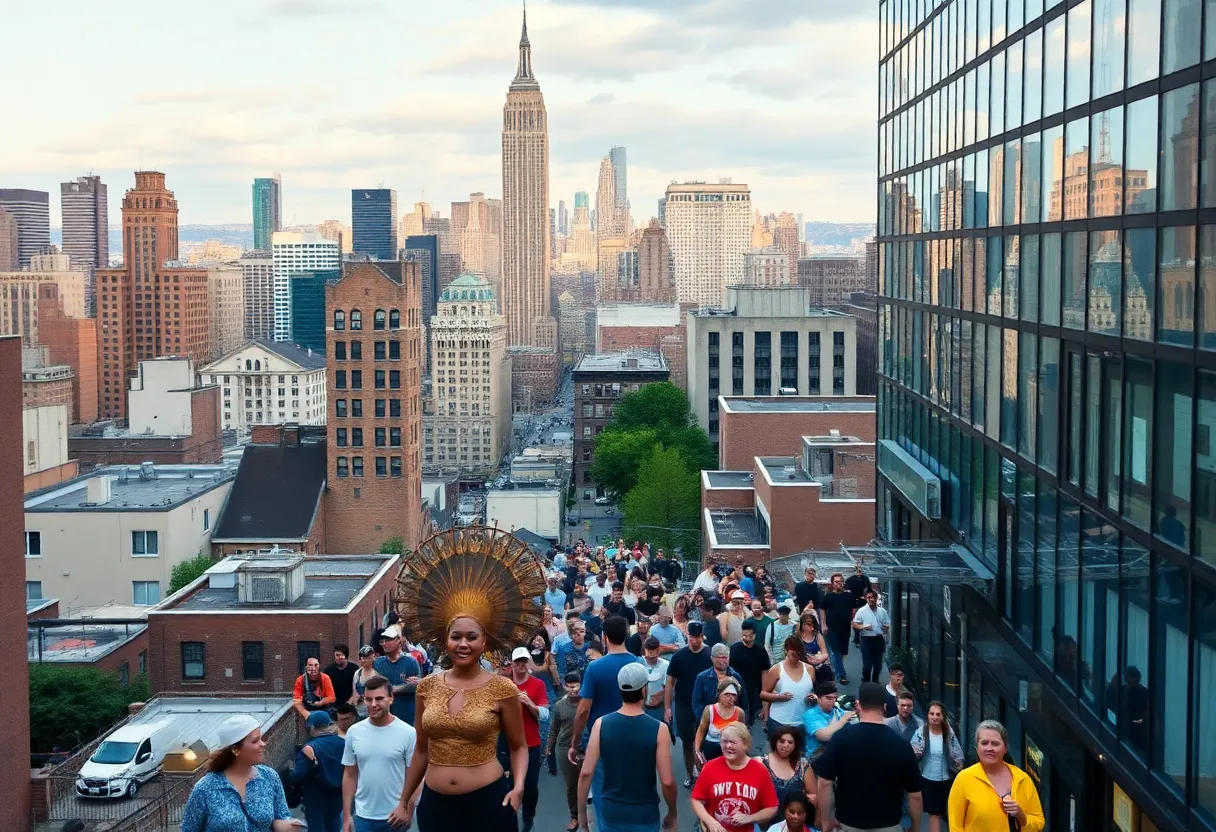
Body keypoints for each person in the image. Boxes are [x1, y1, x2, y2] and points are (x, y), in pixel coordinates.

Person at [395, 614, 527, 832]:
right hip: (436, 807)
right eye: (456, 637)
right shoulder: (426, 687)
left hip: (487, 803)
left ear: (483, 642)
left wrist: (519, 787)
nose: (463, 644)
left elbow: (518, 746)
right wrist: (404, 801)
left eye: (472, 637)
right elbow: (421, 750)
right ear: (446, 641)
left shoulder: (502, 689)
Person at [577, 663, 678, 832]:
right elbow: (667, 782)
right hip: (645, 815)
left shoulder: (600, 725)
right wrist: (672, 813)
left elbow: (586, 773)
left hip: (612, 814)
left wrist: (581, 814)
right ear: (644, 690)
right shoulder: (659, 729)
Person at [813, 682, 923, 832]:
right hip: (889, 824)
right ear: (885, 707)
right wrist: (915, 827)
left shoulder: (841, 739)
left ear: (858, 705)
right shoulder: (902, 745)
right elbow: (915, 795)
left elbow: (824, 782)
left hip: (849, 823)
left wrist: (826, 819)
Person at [569, 615, 643, 832]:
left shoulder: (595, 667)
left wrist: (575, 742)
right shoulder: (638, 664)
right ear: (626, 635)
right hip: (634, 736)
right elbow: (644, 701)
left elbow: (583, 710)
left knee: (603, 792)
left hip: (602, 739)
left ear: (605, 637)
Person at [182, 714, 301, 832]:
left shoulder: (269, 777)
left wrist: (285, 824)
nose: (263, 744)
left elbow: (282, 815)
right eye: (255, 741)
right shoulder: (205, 788)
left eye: (261, 739)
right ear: (235, 749)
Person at [340, 676, 417, 832]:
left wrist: (408, 810)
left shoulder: (408, 733)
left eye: (379, 699)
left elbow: (415, 776)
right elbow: (349, 774)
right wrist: (347, 816)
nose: (373, 704)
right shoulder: (354, 732)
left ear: (391, 698)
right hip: (363, 817)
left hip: (395, 816)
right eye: (368, 699)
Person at [948, 720, 1045, 832]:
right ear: (977, 748)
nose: (989, 748)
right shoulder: (964, 779)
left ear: (1005, 748)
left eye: (995, 744)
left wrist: (1021, 815)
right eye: (984, 743)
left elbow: (1039, 822)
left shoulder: (1022, 779)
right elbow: (955, 827)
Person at [690, 722, 780, 832]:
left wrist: (749, 818)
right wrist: (709, 821)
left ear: (746, 745)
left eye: (733, 742)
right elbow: (697, 800)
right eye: (724, 741)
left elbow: (771, 807)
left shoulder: (759, 771)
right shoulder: (710, 767)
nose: (728, 746)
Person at [504, 646, 550, 831]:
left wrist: (529, 703)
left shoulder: (537, 684)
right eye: (518, 661)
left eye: (524, 660)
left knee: (530, 787)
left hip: (531, 743)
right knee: (507, 785)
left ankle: (528, 817)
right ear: (512, 663)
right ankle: (509, 819)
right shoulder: (504, 684)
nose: (521, 664)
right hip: (507, 744)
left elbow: (545, 714)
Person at [663, 621, 713, 788]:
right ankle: (690, 773)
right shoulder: (679, 656)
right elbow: (670, 682)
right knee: (686, 741)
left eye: (698, 637)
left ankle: (704, 774)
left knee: (704, 741)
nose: (695, 641)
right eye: (692, 637)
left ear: (702, 636)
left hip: (704, 706)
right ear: (687, 636)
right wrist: (667, 708)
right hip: (683, 704)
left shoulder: (709, 654)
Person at [910, 702, 964, 832]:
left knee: (941, 813)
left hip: (946, 779)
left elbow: (958, 754)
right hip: (927, 779)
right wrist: (916, 752)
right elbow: (912, 750)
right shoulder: (921, 732)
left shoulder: (949, 733)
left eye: (938, 714)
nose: (935, 717)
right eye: (932, 714)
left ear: (943, 716)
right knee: (934, 814)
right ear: (927, 715)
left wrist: (957, 763)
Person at [291, 711, 345, 832]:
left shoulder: (310, 748)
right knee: (334, 826)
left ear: (312, 728)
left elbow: (297, 776)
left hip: (314, 798)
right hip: (337, 796)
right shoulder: (343, 743)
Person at [546, 672, 584, 832]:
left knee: (589, 783)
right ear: (564, 686)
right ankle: (574, 817)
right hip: (565, 748)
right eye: (569, 686)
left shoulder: (588, 702)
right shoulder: (559, 706)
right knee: (571, 785)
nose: (572, 689)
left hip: (586, 748)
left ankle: (587, 814)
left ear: (581, 685)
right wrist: (549, 748)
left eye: (575, 685)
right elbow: (554, 729)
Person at [762, 636, 817, 736]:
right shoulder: (776, 669)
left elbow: (811, 691)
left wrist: (813, 698)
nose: (796, 657)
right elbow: (763, 694)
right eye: (793, 654)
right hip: (779, 721)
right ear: (786, 651)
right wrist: (779, 697)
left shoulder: (809, 669)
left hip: (803, 721)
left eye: (798, 654)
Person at [527, 628, 561, 775]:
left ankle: (547, 759)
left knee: (547, 730)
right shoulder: (526, 656)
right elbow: (531, 670)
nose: (536, 641)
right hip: (530, 696)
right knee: (533, 729)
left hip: (548, 695)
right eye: (534, 638)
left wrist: (554, 672)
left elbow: (556, 678)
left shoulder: (548, 655)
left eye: (539, 639)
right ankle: (536, 758)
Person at [691, 643, 750, 727]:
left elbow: (744, 702)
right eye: (719, 657)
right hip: (709, 724)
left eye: (725, 657)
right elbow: (696, 702)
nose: (722, 660)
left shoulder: (736, 677)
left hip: (732, 724)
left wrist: (743, 725)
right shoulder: (702, 678)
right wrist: (706, 720)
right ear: (712, 658)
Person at [373, 625, 423, 725]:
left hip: (406, 714)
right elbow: (378, 686)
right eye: (383, 641)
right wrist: (402, 687)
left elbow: (415, 686)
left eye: (388, 640)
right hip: (384, 715)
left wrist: (391, 689)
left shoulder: (410, 662)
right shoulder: (378, 662)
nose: (384, 643)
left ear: (399, 640)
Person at [760, 725, 815, 807]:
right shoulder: (761, 763)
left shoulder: (803, 765)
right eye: (782, 741)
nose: (785, 745)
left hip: (795, 814)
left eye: (790, 742)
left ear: (795, 745)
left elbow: (814, 796)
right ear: (775, 742)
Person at [694, 678, 743, 765]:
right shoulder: (709, 710)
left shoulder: (740, 713)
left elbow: (743, 735)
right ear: (720, 695)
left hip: (731, 752)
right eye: (727, 694)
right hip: (711, 752)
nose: (730, 698)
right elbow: (701, 730)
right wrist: (697, 750)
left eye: (733, 695)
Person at [729, 619, 770, 725]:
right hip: (737, 691)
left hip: (754, 692)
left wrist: (765, 702)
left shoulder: (761, 651)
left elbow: (765, 675)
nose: (747, 638)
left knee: (751, 721)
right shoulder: (734, 649)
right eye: (744, 635)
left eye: (750, 636)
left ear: (755, 635)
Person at [802, 681, 854, 759]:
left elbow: (852, 715)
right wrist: (843, 719)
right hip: (817, 757)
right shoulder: (810, 715)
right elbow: (824, 736)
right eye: (828, 698)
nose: (832, 701)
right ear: (819, 699)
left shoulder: (837, 710)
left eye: (834, 698)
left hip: (836, 753)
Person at [818, 574, 855, 684]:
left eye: (841, 581)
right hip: (832, 628)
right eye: (836, 581)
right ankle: (841, 675)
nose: (839, 583)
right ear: (832, 584)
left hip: (845, 628)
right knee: (836, 652)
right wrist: (823, 625)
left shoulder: (848, 596)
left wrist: (854, 621)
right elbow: (822, 610)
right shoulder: (828, 596)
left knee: (843, 652)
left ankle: (836, 668)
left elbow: (854, 609)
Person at [852, 590, 890, 685]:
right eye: (869, 598)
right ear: (865, 598)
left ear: (876, 598)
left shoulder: (882, 611)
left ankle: (875, 681)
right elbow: (855, 624)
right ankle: (866, 681)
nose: (871, 599)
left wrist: (886, 628)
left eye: (873, 597)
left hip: (878, 638)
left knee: (878, 663)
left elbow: (887, 624)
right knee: (867, 663)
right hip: (866, 639)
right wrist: (863, 626)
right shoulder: (861, 611)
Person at [641, 636, 671, 723]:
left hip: (659, 708)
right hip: (642, 709)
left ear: (658, 650)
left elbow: (668, 688)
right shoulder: (638, 663)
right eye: (649, 655)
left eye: (654, 655)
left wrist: (667, 709)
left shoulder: (666, 665)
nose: (651, 657)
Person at [798, 612, 832, 680]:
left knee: (826, 670)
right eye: (809, 624)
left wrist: (819, 659)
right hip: (803, 664)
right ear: (803, 625)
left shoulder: (817, 636)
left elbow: (825, 654)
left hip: (817, 662)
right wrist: (807, 660)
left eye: (813, 624)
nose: (812, 626)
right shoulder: (797, 638)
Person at [325, 645, 359, 712]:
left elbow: (357, 688)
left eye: (339, 655)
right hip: (333, 707)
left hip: (350, 705)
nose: (337, 658)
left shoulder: (354, 669)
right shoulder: (329, 670)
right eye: (336, 655)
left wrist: (351, 701)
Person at [351, 646, 378, 716]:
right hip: (359, 710)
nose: (363, 660)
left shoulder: (377, 673)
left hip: (373, 710)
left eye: (366, 658)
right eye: (361, 658)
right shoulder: (357, 673)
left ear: (373, 657)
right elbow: (354, 692)